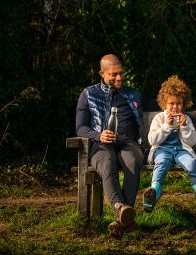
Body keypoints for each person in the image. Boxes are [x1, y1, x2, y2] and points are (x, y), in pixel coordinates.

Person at [75, 54, 143, 239]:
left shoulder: (133, 95)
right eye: (114, 75)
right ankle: (122, 211)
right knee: (108, 162)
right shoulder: (89, 94)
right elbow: (80, 127)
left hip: (127, 143)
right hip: (100, 145)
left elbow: (162, 108)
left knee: (133, 162)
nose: (119, 78)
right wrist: (98, 135)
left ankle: (120, 218)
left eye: (121, 73)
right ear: (102, 73)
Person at [143, 75, 196, 212]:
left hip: (181, 150)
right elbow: (153, 140)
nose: (175, 107)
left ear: (184, 104)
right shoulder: (159, 118)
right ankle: (154, 192)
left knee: (191, 163)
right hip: (163, 150)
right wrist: (166, 126)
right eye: (171, 103)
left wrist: (185, 126)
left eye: (179, 104)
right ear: (164, 103)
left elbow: (191, 142)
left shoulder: (186, 119)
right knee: (162, 163)